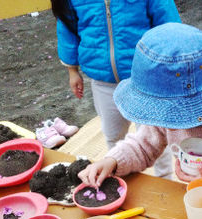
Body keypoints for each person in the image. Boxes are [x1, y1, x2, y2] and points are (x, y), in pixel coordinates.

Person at [78, 23, 202, 196]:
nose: (170, 121)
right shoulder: (163, 115)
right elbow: (143, 146)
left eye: (178, 114)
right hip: (200, 195)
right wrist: (112, 161)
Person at [50, 0, 181, 178]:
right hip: (103, 82)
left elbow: (169, 24)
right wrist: (72, 71)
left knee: (154, 138)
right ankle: (120, 175)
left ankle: (165, 177)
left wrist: (172, 65)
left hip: (146, 80)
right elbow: (67, 29)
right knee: (113, 134)